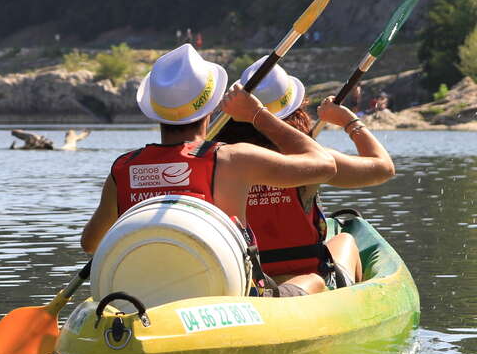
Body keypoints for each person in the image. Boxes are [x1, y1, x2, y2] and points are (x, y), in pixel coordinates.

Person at [81, 44, 337, 296]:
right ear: (211, 108)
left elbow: (91, 243)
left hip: (142, 296)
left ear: (156, 110)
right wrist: (258, 114)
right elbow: (325, 165)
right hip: (228, 296)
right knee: (314, 280)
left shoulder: (124, 167)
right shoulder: (232, 158)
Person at [216, 57, 395, 294]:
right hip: (307, 283)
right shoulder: (313, 163)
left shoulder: (220, 159)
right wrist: (348, 121)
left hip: (246, 282)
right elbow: (383, 168)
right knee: (345, 241)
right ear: (295, 113)